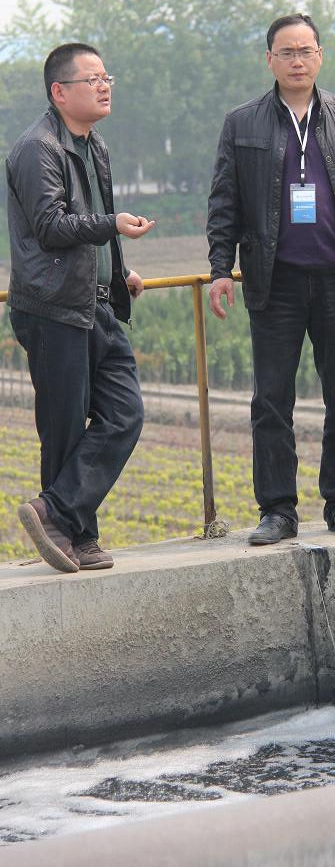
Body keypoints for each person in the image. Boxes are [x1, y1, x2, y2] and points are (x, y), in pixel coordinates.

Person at [207, 14, 335, 545]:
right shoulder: (242, 123)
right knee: (271, 399)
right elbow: (224, 201)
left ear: (321, 56)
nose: (297, 61)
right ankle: (277, 510)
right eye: (286, 52)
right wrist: (220, 269)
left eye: (306, 50)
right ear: (269, 59)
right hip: (275, 281)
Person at [6, 42, 155, 573]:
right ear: (59, 92)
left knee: (125, 413)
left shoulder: (96, 147)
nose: (104, 86)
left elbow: (91, 225)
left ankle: (55, 514)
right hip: (53, 307)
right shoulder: (37, 148)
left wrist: (117, 271)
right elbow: (51, 226)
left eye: (106, 77)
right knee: (65, 428)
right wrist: (113, 225)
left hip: (96, 303)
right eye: (92, 79)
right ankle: (77, 537)